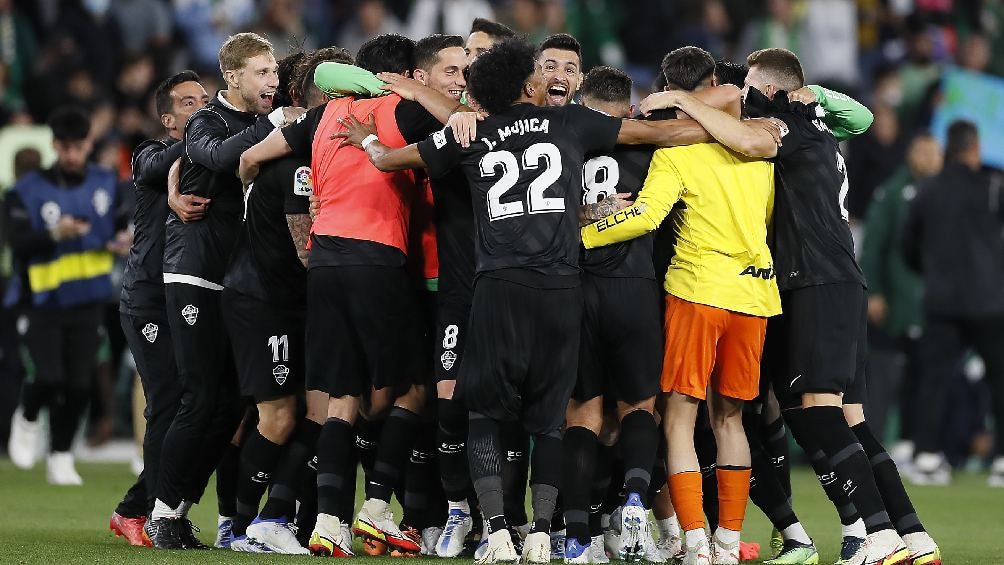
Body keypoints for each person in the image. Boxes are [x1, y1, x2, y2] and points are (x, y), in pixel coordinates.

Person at [335, 37, 720, 564]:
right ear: (525, 85)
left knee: (485, 416)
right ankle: (541, 533)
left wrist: (365, 141)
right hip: (561, 290)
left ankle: (495, 533)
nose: (546, 80)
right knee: (551, 417)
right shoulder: (570, 124)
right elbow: (663, 133)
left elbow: (387, 160)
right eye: (538, 75)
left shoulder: (470, 134)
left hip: (496, 289)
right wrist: (727, 124)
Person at [650, 47, 940, 565]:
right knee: (845, 417)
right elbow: (862, 117)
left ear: (776, 92)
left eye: (756, 88)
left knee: (815, 411)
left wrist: (678, 99)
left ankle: (876, 534)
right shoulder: (820, 127)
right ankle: (911, 533)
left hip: (813, 280)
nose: (749, 97)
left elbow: (742, 135)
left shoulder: (785, 122)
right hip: (839, 279)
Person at [238, 33, 465, 558]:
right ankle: (376, 508)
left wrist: (248, 185)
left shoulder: (321, 118)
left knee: (341, 397)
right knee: (413, 387)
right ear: (401, 75)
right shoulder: (401, 111)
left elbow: (251, 157)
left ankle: (327, 522)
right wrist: (406, 90)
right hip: (376, 258)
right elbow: (457, 117)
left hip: (327, 262)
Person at [583, 46, 779, 565]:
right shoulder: (759, 147)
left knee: (679, 418)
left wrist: (582, 234)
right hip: (755, 295)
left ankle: (693, 540)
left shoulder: (676, 152)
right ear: (713, 81)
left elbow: (645, 217)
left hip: (697, 291)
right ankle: (729, 541)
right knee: (731, 421)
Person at [144, 32, 304, 550]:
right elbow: (220, 159)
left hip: (238, 280)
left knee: (232, 405)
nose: (272, 81)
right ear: (232, 77)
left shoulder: (271, 120)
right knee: (200, 397)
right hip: (193, 273)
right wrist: (275, 125)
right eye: (260, 72)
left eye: (274, 72)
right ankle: (161, 511)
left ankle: (194, 510)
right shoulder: (207, 123)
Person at [221, 47, 353, 555]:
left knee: (317, 413)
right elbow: (304, 250)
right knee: (277, 418)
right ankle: (243, 524)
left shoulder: (289, 151)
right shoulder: (299, 159)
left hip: (289, 302)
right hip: (264, 301)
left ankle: (272, 517)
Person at [561, 65, 666, 565]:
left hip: (576, 289)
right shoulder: (650, 148)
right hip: (634, 288)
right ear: (628, 110)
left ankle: (578, 539)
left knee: (582, 416)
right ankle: (633, 503)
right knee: (639, 410)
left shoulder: (563, 143)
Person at [108, 70, 209, 547]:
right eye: (190, 104)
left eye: (205, 99)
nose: (202, 107)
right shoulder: (150, 153)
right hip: (147, 299)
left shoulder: (209, 158)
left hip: (188, 295)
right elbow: (152, 169)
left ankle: (159, 505)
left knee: (199, 400)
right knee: (168, 400)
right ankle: (142, 510)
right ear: (168, 119)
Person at [5, 106, 129, 486]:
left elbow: (120, 226)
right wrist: (54, 234)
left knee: (79, 386)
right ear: (54, 146)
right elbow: (17, 243)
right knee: (48, 378)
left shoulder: (106, 182)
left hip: (89, 300)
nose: (73, 155)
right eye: (66, 148)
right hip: (42, 302)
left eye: (80, 147)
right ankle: (26, 417)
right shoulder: (26, 191)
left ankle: (60, 455)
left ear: (89, 144)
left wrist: (123, 238)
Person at [903, 120, 1004, 490]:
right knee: (1000, 382)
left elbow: (908, 246)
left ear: (948, 148)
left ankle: (927, 457)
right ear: (975, 148)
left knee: (933, 381)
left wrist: (930, 273)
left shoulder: (928, 190)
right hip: (991, 302)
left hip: (942, 302)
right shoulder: (995, 187)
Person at [859, 134, 942, 452]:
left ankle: (912, 443)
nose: (932, 159)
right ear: (912, 155)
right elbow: (874, 246)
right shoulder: (894, 192)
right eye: (925, 152)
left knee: (923, 376)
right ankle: (875, 442)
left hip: (930, 301)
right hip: (896, 301)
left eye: (936, 152)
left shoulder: (940, 194)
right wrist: (875, 291)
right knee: (883, 375)